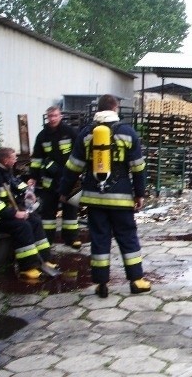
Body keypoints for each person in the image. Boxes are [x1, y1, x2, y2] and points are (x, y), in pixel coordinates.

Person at [58, 94, 150, 298]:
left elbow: (73, 167)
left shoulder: (86, 134)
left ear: (98, 110)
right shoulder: (128, 133)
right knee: (127, 238)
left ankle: (101, 284)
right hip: (121, 198)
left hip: (93, 197)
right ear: (115, 109)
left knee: (99, 239)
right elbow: (138, 168)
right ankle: (136, 281)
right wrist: (140, 194)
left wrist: (64, 192)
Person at [0, 147, 56, 279]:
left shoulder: (4, 170)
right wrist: (15, 214)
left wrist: (28, 192)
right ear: (6, 160)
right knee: (23, 226)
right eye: (14, 158)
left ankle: (44, 260)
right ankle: (28, 267)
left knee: (35, 220)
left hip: (7, 214)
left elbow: (16, 183)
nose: (16, 160)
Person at [30, 105, 80, 249]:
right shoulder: (42, 136)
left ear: (60, 116)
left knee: (71, 209)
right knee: (48, 211)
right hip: (50, 180)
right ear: (47, 117)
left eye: (55, 116)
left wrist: (79, 170)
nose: (52, 119)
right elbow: (37, 158)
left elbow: (79, 151)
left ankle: (71, 238)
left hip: (70, 177)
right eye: (50, 116)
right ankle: (47, 239)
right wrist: (33, 176)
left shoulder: (69, 132)